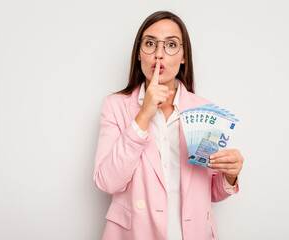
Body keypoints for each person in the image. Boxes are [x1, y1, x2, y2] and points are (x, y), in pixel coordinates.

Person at [93, 11, 244, 240]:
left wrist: (229, 176)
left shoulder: (205, 111)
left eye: (171, 45)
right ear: (138, 54)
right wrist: (144, 114)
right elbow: (108, 181)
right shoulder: (116, 106)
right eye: (150, 43)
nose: (159, 54)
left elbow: (211, 192)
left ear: (184, 56)